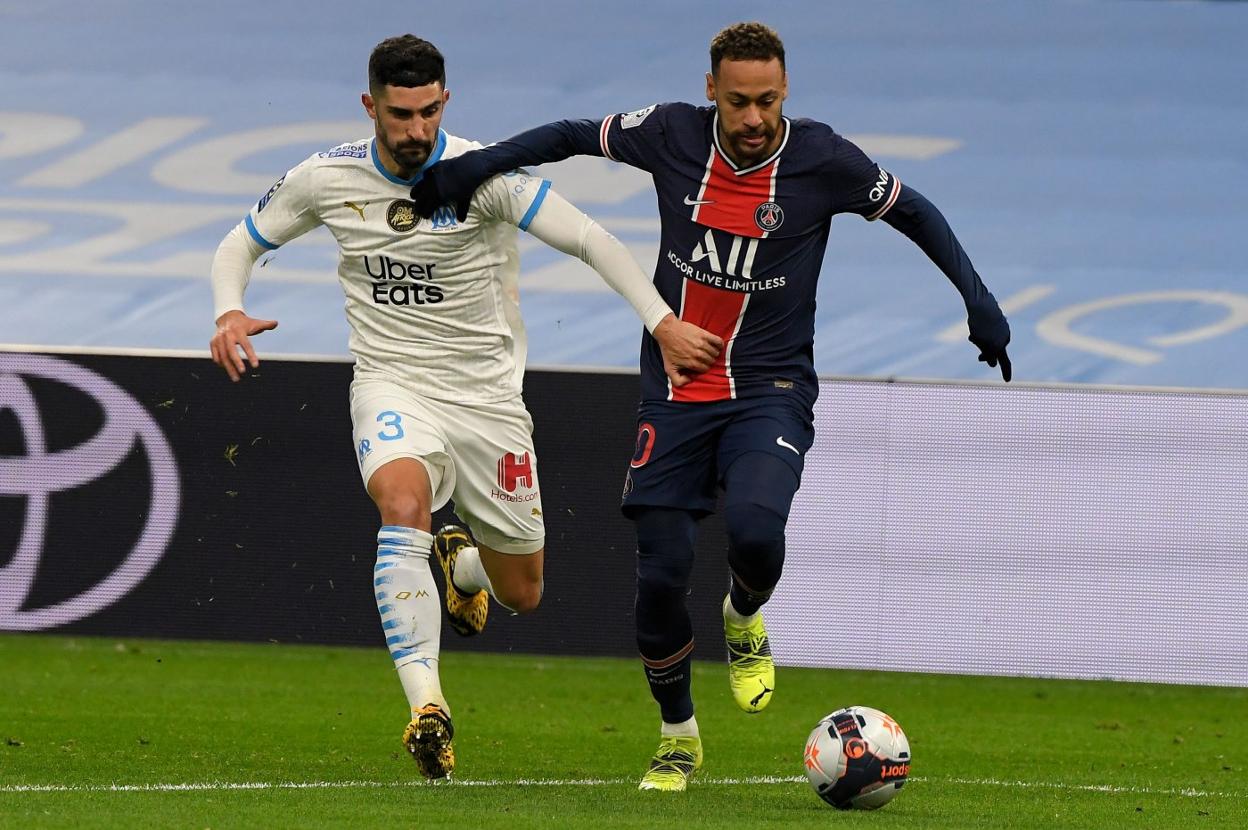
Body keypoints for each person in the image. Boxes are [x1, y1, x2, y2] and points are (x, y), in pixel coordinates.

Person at [407, 22, 1012, 791]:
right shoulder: (670, 134)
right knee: (661, 575)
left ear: (785, 91)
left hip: (771, 388)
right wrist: (470, 170)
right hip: (678, 387)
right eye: (737, 102)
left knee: (756, 534)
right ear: (711, 92)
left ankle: (743, 612)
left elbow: (914, 209)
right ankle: (678, 737)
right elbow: (568, 134)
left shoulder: (824, 159)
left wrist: (978, 301)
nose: (753, 118)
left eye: (766, 101)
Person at [207, 34, 723, 781]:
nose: (415, 131)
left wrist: (662, 321)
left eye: (427, 112)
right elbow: (240, 243)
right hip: (392, 382)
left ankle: (465, 570)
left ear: (445, 101)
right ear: (370, 107)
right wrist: (229, 310)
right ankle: (429, 708)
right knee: (402, 504)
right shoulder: (327, 178)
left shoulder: (485, 177)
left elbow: (591, 239)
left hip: (488, 402)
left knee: (525, 592)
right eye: (398, 115)